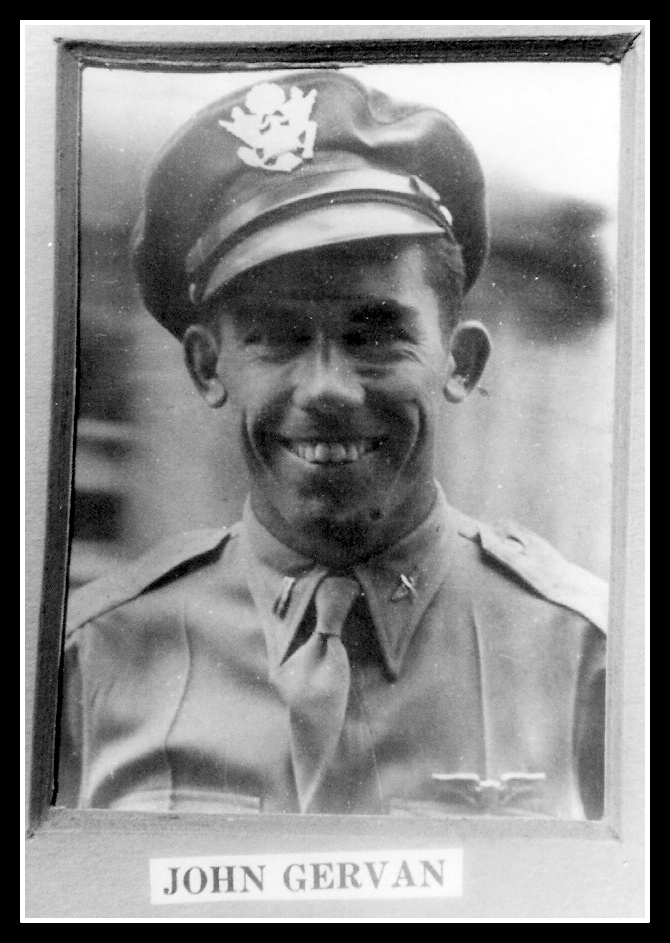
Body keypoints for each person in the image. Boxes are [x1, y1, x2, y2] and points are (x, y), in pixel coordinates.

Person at [63, 71, 607, 818]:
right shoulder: (93, 658)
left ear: (461, 361)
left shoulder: (592, 659)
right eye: (277, 337)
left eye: (375, 333)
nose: (328, 389)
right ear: (206, 365)